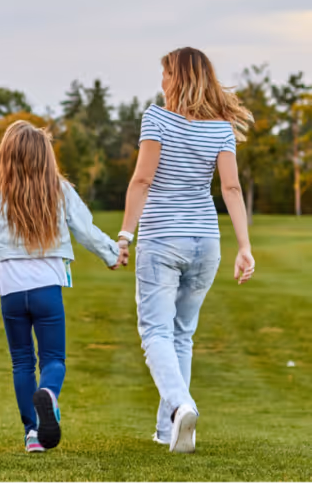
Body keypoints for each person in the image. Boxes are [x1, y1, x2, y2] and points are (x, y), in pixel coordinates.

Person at [0, 121, 121, 453]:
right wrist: (112, 253)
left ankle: (33, 433)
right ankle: (48, 394)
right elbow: (87, 231)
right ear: (46, 157)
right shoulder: (60, 191)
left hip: (11, 289)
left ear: (5, 155)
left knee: (21, 361)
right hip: (48, 286)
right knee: (53, 360)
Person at [117, 47, 256, 454]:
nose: (161, 82)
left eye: (164, 74)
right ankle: (168, 430)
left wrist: (125, 235)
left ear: (175, 78)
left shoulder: (156, 118)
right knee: (182, 335)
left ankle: (182, 405)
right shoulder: (220, 128)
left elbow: (141, 181)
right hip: (206, 243)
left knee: (156, 332)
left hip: (162, 240)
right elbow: (230, 189)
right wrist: (244, 246)